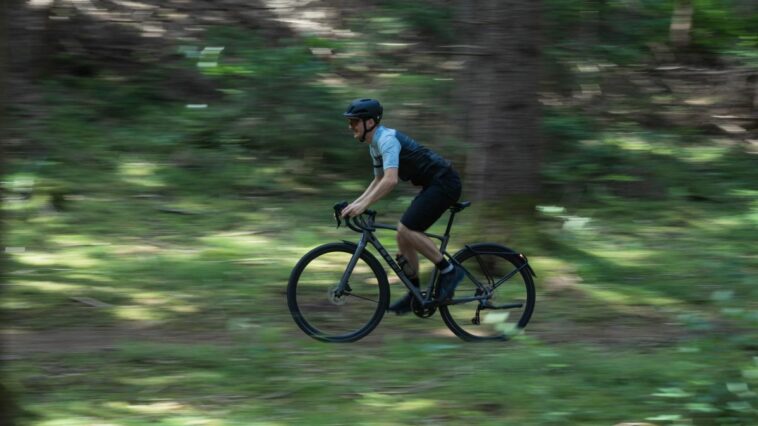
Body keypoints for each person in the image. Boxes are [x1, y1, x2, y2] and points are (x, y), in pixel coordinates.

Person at [339, 98, 464, 314]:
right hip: (434, 184)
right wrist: (355, 204)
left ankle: (449, 271)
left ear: (369, 122)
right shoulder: (375, 145)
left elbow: (390, 180)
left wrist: (363, 205)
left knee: (407, 228)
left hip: (445, 182)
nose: (351, 127)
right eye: (350, 123)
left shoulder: (387, 140)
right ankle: (414, 294)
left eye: (354, 122)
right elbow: (377, 180)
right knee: (401, 234)